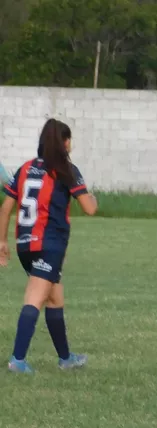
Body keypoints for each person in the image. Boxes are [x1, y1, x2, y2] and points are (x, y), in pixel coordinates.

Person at [0, 119, 97, 374]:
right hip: (48, 244)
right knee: (35, 298)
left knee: (54, 298)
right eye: (69, 139)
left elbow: (6, 208)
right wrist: (92, 196)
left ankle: (66, 358)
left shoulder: (25, 169)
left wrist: (1, 241)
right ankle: (17, 360)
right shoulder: (65, 169)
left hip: (24, 245)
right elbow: (89, 208)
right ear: (64, 142)